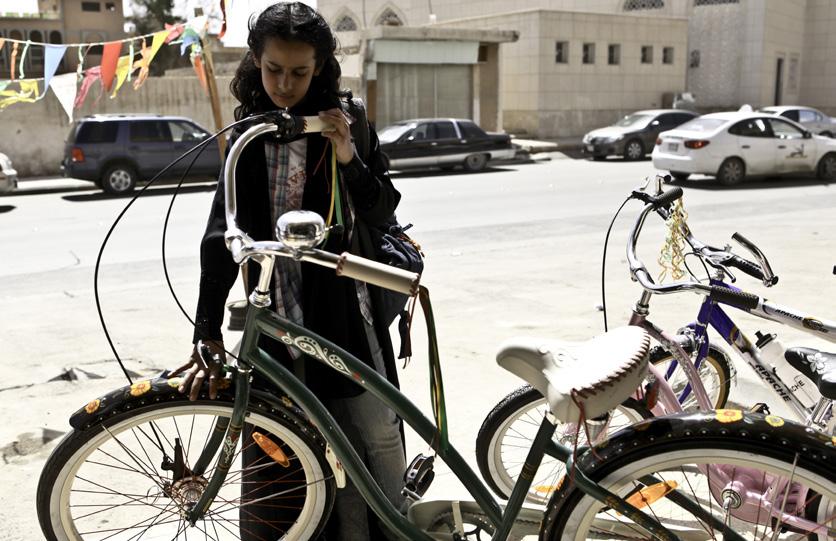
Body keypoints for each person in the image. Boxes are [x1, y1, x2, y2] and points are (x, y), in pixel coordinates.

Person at [171, 3, 406, 539]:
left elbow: (383, 210)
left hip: (347, 309)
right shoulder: (249, 134)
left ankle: (393, 530)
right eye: (274, 69)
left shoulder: (345, 121)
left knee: (373, 429)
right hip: (277, 311)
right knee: (301, 442)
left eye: (300, 72)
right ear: (256, 61)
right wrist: (205, 332)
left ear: (321, 67)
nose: (285, 84)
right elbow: (220, 236)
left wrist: (348, 155)